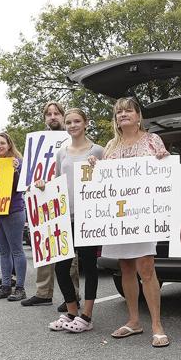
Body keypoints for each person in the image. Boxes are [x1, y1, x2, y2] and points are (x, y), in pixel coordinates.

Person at [87, 97, 171, 347]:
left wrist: (164, 159)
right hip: (119, 216)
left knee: (146, 266)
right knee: (125, 267)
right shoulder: (111, 145)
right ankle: (134, 320)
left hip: (144, 213)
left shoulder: (153, 140)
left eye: (128, 110)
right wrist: (95, 165)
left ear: (138, 115)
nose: (123, 114)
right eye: (119, 112)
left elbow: (163, 170)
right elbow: (102, 179)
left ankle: (156, 324)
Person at [39, 108, 104, 332]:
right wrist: (42, 187)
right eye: (69, 122)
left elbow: (108, 181)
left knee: (89, 265)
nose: (73, 125)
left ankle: (87, 316)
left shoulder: (98, 150)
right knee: (61, 267)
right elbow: (57, 183)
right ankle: (71, 312)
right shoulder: (62, 153)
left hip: (88, 217)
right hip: (66, 217)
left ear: (86, 123)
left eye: (77, 121)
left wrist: (100, 167)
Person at [21, 101, 82, 311]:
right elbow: (29, 171)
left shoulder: (72, 139)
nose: (53, 117)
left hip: (66, 199)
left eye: (57, 113)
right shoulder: (37, 142)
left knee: (68, 252)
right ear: (45, 118)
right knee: (44, 246)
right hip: (43, 199)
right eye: (49, 114)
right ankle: (43, 293)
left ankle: (72, 296)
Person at [0, 132, 28, 302]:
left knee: (16, 250)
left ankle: (20, 288)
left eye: (2, 143)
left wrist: (16, 170)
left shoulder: (18, 163)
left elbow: (22, 186)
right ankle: (5, 286)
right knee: (3, 251)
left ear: (9, 145)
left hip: (13, 211)